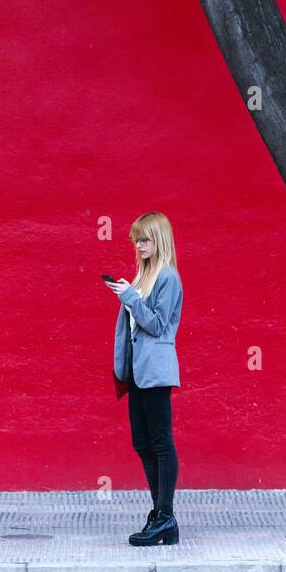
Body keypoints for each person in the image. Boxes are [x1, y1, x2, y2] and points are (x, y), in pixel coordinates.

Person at [105, 211, 183, 546]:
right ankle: (160, 513)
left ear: (159, 239)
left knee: (162, 442)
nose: (139, 245)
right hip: (137, 371)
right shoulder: (144, 275)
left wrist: (131, 298)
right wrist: (129, 292)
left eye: (145, 239)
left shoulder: (167, 277)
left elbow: (156, 325)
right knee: (142, 442)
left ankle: (165, 516)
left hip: (156, 371)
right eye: (137, 239)